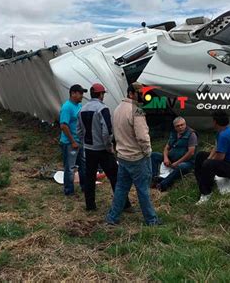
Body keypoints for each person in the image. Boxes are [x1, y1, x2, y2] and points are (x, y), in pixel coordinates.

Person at [106, 82, 160, 226]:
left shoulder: (118, 109)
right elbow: (142, 136)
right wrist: (148, 152)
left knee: (121, 188)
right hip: (137, 158)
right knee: (143, 190)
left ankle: (112, 217)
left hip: (122, 156)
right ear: (131, 93)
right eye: (140, 93)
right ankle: (151, 220)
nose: (143, 95)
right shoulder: (137, 111)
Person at [77, 83, 131, 211]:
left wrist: (84, 144)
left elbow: (79, 131)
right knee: (115, 177)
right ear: (101, 94)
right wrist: (109, 146)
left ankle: (90, 206)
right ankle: (124, 204)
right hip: (102, 149)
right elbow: (106, 131)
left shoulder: (82, 109)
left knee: (90, 178)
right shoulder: (102, 109)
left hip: (89, 149)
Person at [194, 111, 230, 205]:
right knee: (200, 156)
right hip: (229, 162)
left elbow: (220, 158)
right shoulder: (222, 130)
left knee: (208, 164)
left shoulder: (224, 135)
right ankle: (202, 181)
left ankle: (206, 193)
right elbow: (216, 147)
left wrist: (208, 162)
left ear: (215, 122)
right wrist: (208, 158)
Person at [151, 116, 197, 191]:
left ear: (185, 124)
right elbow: (166, 148)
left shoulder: (191, 134)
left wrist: (177, 163)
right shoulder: (174, 133)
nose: (180, 127)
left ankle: (163, 184)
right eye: (178, 126)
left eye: (182, 125)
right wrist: (166, 158)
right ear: (175, 127)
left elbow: (191, 153)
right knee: (154, 155)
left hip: (186, 161)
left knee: (181, 166)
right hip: (171, 159)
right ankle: (154, 179)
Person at [59, 84, 87, 196]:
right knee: (70, 168)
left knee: (83, 165)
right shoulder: (67, 107)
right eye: (80, 93)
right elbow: (63, 126)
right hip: (70, 143)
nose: (82, 96)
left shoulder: (79, 105)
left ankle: (85, 186)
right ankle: (69, 190)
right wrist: (73, 141)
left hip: (79, 141)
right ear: (73, 93)